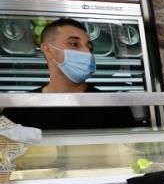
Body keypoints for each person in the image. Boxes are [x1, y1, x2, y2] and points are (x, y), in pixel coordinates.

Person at [2, 18, 138, 130]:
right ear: (48, 50)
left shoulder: (113, 107)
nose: (87, 52)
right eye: (74, 44)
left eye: (90, 47)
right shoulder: (19, 110)